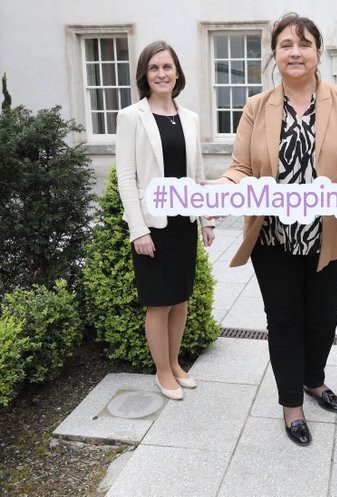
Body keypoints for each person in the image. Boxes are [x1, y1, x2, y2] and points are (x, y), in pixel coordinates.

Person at [205, 13, 337, 445]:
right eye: (286, 44)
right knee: (285, 321)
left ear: (318, 52)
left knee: (323, 319)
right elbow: (241, 169)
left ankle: (314, 379)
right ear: (275, 54)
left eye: (304, 44)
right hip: (273, 238)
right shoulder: (256, 106)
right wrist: (217, 191)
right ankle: (292, 403)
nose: (295, 52)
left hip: (330, 234)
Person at [116, 41, 215, 401]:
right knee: (159, 302)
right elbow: (126, 177)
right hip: (153, 226)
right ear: (145, 75)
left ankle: (174, 364)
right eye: (155, 68)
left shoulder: (189, 118)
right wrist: (137, 230)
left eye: (168, 67)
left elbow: (198, 173)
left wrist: (206, 219)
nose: (162, 74)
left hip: (183, 223)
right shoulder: (131, 117)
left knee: (181, 299)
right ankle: (162, 372)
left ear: (177, 73)